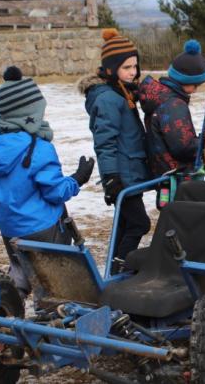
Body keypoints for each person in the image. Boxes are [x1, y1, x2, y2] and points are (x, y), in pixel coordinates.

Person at [0, 66, 94, 295]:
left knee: (22, 269)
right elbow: (55, 192)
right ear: (30, 115)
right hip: (42, 228)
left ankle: (7, 305)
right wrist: (78, 178)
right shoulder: (38, 148)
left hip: (9, 227)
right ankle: (54, 316)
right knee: (56, 282)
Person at [78, 29, 151, 261]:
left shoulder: (121, 93)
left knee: (126, 223)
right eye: (127, 68)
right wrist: (111, 177)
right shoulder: (109, 99)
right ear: (110, 70)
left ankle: (115, 267)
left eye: (135, 66)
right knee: (140, 224)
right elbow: (105, 142)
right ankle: (122, 266)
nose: (133, 72)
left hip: (129, 170)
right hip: (121, 174)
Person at [137, 39, 205, 176]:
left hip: (163, 171)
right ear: (184, 80)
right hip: (177, 174)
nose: (195, 90)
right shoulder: (174, 104)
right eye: (195, 85)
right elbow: (182, 147)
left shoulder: (161, 97)